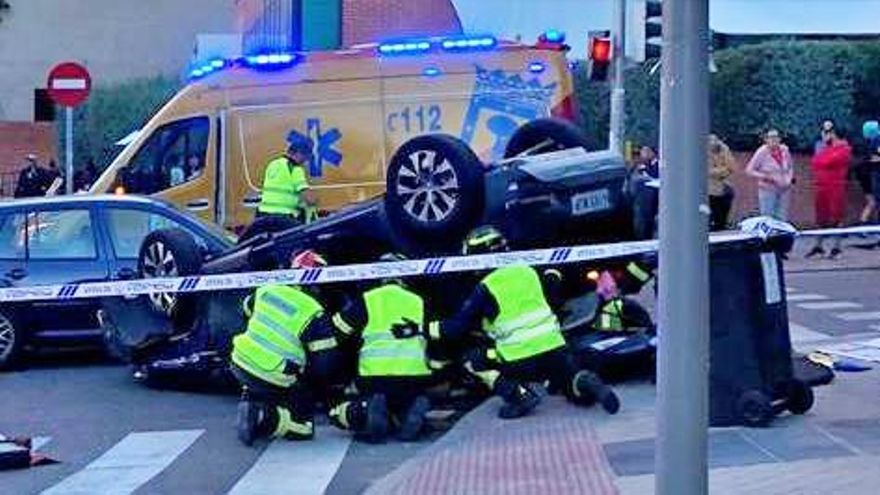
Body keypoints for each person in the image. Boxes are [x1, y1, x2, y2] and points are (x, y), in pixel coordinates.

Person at [426, 226, 620, 419]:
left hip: (519, 359)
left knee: (471, 360)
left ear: (480, 255)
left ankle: (519, 396)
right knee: (568, 381)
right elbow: (552, 289)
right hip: (555, 349)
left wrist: (424, 328)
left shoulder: (485, 287)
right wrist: (553, 273)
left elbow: (456, 328)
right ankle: (584, 380)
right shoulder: (529, 271)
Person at [231, 250, 348, 446]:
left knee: (263, 372)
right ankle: (261, 417)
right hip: (273, 374)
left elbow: (244, 311)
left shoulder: (266, 290)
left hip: (239, 361)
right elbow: (324, 365)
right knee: (304, 428)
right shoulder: (313, 311)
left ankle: (250, 399)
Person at [329, 254, 434, 443]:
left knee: (338, 412)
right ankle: (408, 414)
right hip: (414, 379)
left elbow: (337, 331)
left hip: (374, 380)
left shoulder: (368, 299)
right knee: (407, 402)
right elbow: (437, 334)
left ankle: (367, 412)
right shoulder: (420, 301)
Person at [806, 121, 852, 259]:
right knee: (821, 216)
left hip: (835, 187)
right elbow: (815, 162)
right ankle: (818, 245)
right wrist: (822, 152)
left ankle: (836, 247)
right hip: (822, 186)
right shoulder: (824, 147)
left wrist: (821, 156)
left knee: (836, 216)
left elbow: (824, 162)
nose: (826, 135)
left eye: (829, 132)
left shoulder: (844, 149)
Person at [257, 131, 317, 224]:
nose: (305, 161)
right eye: (306, 156)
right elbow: (309, 199)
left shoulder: (273, 164)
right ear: (298, 153)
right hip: (283, 218)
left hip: (263, 216)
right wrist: (315, 200)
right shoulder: (295, 169)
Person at [745, 129, 794, 222]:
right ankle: (769, 236)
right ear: (766, 139)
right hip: (767, 189)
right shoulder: (761, 152)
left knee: (782, 217)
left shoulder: (785, 150)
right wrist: (765, 177)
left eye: (776, 137)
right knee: (768, 217)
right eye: (771, 137)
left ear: (780, 139)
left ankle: (780, 236)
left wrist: (789, 179)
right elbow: (749, 170)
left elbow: (790, 167)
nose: (774, 139)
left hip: (784, 189)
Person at [707, 134, 736, 230]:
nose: (713, 143)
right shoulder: (701, 150)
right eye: (711, 141)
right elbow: (705, 170)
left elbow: (731, 167)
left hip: (723, 186)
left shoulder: (724, 149)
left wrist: (718, 172)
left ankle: (722, 226)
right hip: (708, 189)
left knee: (729, 194)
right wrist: (723, 170)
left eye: (715, 140)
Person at [631, 145, 660, 239]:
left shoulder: (658, 165)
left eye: (646, 152)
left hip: (655, 194)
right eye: (642, 152)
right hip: (646, 197)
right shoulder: (641, 167)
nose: (643, 154)